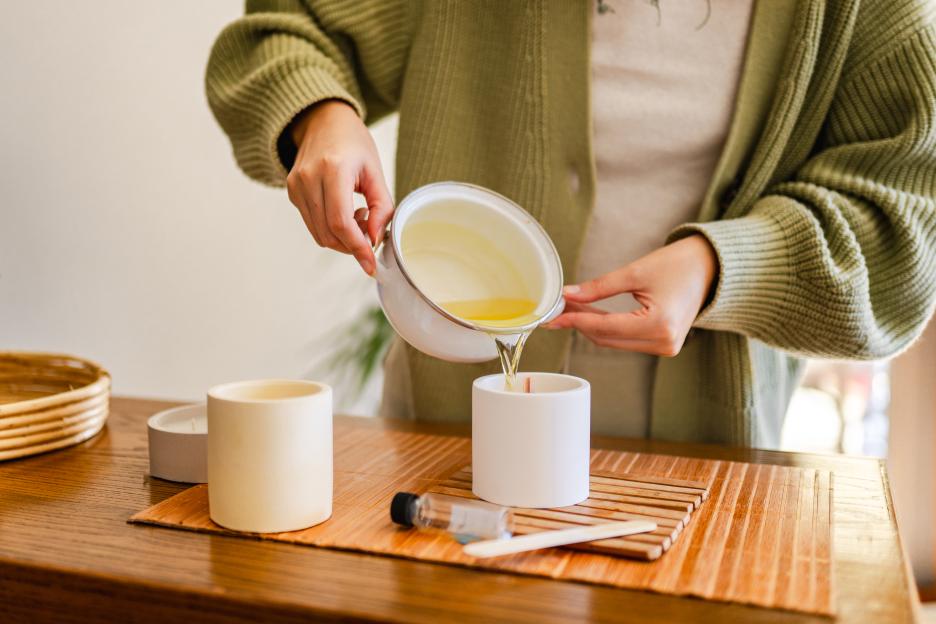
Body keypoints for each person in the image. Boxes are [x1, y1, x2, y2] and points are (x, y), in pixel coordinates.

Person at [206, 0, 936, 447]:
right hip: (441, 439)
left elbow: (906, 227)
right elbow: (284, 29)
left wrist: (720, 269)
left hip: (711, 463)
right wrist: (320, 115)